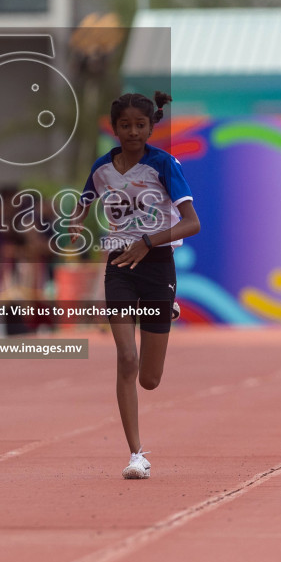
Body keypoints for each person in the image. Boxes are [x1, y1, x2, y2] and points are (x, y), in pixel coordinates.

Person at [76, 91, 199, 481]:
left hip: (157, 263)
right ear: (115, 128)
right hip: (119, 266)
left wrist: (147, 241)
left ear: (151, 127)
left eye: (140, 125)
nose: (132, 132)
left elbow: (192, 222)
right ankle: (135, 454)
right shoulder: (102, 168)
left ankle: (168, 307)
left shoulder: (163, 165)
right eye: (125, 125)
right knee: (126, 358)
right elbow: (82, 206)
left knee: (150, 379)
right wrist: (77, 225)